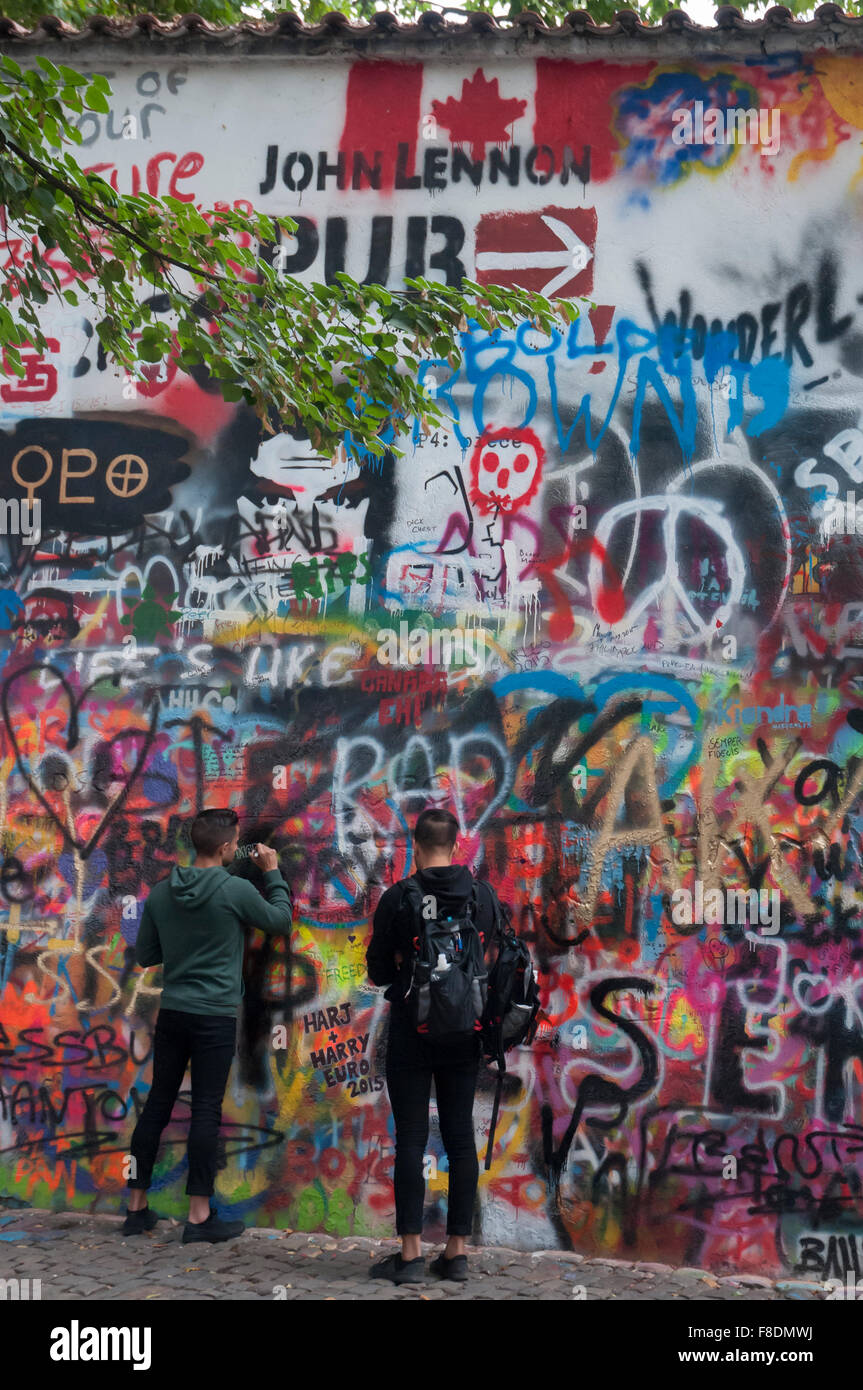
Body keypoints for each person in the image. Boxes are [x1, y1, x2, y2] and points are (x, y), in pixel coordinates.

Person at [123, 808, 293, 1243]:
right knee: (205, 1109)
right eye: (234, 843)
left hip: (174, 1013)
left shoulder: (162, 893)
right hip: (215, 1015)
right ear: (222, 848)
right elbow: (280, 921)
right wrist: (272, 874)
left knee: (158, 1104)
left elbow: (146, 956)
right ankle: (198, 1216)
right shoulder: (234, 890)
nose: (236, 847)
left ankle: (136, 1207)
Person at [366, 807, 504, 1284]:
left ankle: (408, 1254)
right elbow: (497, 961)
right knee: (461, 1137)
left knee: (411, 1138)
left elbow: (378, 972)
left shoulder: (399, 898)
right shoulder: (482, 896)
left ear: (416, 845)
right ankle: (457, 1252)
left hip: (411, 1031)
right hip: (466, 1032)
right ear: (458, 843)